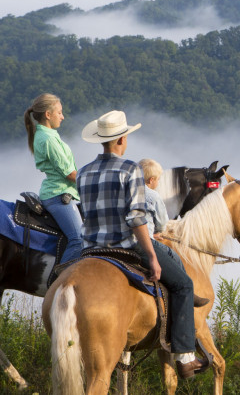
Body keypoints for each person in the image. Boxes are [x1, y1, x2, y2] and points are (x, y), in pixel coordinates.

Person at [75, 110, 208, 379]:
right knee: (183, 284)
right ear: (122, 139)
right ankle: (184, 357)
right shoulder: (130, 169)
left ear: (101, 140)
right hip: (125, 246)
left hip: (89, 249)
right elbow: (136, 220)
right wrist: (152, 256)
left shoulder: (84, 172)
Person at [24, 93, 84, 265]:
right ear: (48, 115)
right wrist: (92, 181)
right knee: (79, 239)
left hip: (61, 192)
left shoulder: (48, 135)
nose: (63, 116)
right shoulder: (49, 139)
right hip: (59, 195)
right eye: (59, 112)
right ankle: (60, 283)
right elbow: (70, 174)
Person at [139, 158, 169, 239]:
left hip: (125, 239)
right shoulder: (154, 196)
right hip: (145, 240)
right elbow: (162, 225)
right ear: (151, 180)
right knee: (170, 252)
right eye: (158, 179)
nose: (158, 182)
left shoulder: (126, 191)